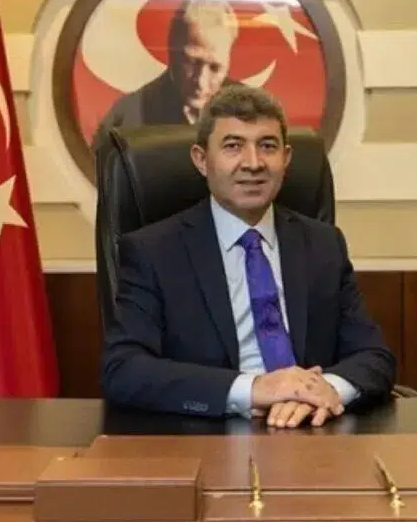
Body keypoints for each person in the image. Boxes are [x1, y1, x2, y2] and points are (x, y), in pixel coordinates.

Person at [100, 86, 397, 428]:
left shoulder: (322, 244)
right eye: (233, 146)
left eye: (267, 146)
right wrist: (253, 389)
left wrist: (324, 390)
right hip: (210, 434)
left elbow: (374, 356)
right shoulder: (154, 251)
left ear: (286, 158)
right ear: (201, 159)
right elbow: (124, 369)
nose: (253, 163)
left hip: (314, 427)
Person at [91, 0, 242, 152]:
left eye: (215, 68)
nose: (201, 82)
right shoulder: (124, 120)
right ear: (171, 50)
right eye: (191, 62)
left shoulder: (251, 111)